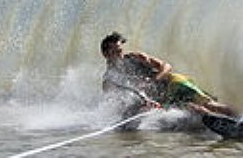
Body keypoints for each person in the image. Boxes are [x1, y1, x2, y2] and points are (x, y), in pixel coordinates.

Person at [100, 31, 235, 117]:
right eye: (116, 52)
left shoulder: (136, 57)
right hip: (164, 100)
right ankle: (227, 125)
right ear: (106, 54)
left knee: (211, 106)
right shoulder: (109, 80)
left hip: (174, 83)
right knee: (196, 110)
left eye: (120, 51)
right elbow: (119, 100)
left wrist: (154, 80)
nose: (120, 55)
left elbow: (167, 66)